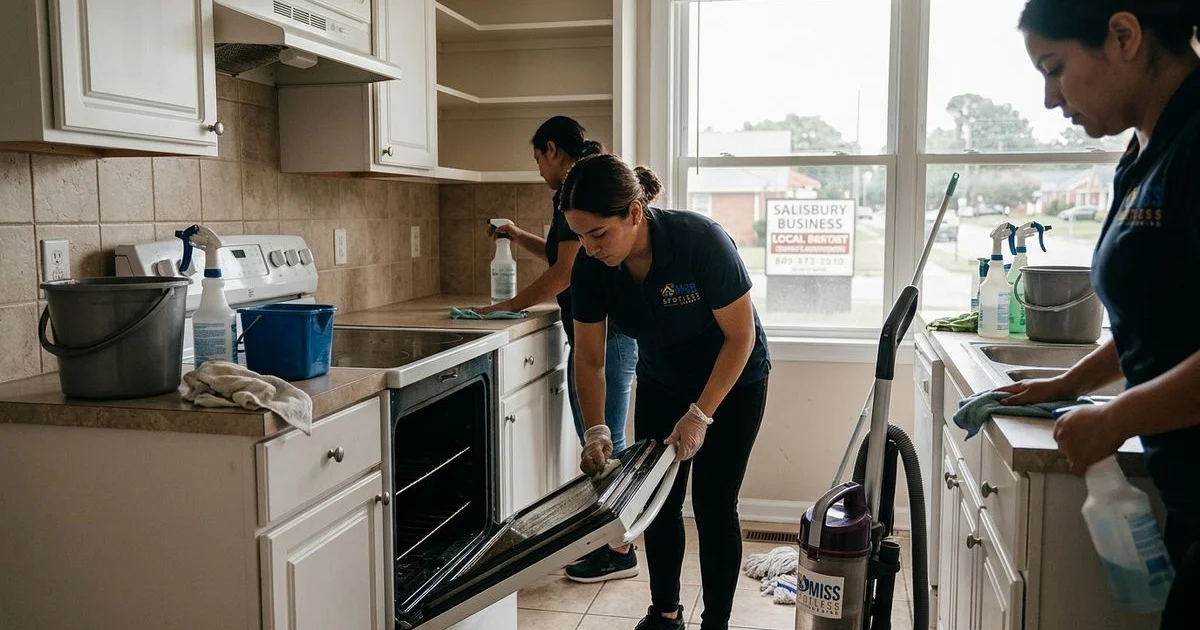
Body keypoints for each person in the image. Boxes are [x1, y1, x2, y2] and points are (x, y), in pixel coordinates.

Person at [1006, 2, 1200, 627]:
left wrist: (1117, 416)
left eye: (1055, 68)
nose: (1049, 98)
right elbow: (1159, 308)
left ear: (1124, 35)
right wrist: (1073, 384)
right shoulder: (1142, 153)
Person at [561, 153, 771, 630]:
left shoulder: (700, 241)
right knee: (658, 501)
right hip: (661, 380)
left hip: (733, 380)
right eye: (579, 236)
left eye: (598, 234)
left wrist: (701, 415)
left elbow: (741, 339)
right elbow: (590, 358)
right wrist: (595, 429)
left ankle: (715, 621)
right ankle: (665, 614)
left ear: (634, 213)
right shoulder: (592, 268)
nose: (590, 248)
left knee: (716, 505)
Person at [477, 117, 641, 581]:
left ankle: (619, 548)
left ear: (552, 149)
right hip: (606, 331)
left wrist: (507, 306)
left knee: (605, 438)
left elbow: (567, 270)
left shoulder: (578, 187)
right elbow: (563, 255)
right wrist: (517, 235)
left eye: (537, 159)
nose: (539, 171)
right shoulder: (583, 182)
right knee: (607, 437)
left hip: (602, 334)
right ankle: (615, 541)